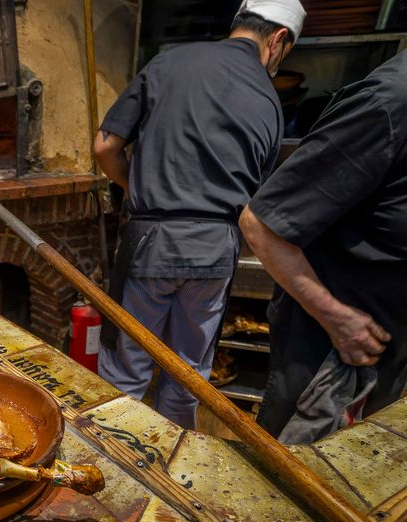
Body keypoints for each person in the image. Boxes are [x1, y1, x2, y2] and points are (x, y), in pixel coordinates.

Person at [94, 0, 305, 429]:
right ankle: (177, 474)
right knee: (188, 375)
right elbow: (255, 196)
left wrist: (139, 188)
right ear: (279, 39)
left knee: (124, 376)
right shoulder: (270, 101)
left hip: (150, 245)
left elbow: (104, 147)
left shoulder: (169, 62)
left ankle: (111, 474)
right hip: (214, 252)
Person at [239, 50, 407, 443]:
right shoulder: (388, 105)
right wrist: (338, 320)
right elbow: (260, 225)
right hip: (336, 362)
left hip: (390, 355)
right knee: (294, 487)